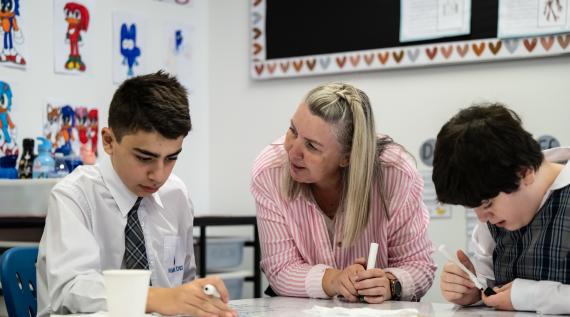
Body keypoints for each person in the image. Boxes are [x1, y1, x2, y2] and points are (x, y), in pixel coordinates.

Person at [36, 71, 236, 317]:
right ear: (109, 141)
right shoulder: (73, 197)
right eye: (144, 158)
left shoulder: (176, 194)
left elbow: (184, 279)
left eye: (172, 158)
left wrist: (198, 298)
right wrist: (157, 298)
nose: (159, 175)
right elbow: (72, 291)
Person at [250, 82, 436, 303]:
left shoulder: (396, 174)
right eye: (293, 131)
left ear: (347, 157)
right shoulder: (270, 171)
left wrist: (389, 283)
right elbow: (280, 269)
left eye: (311, 146)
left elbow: (420, 266)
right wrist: (334, 280)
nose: (293, 151)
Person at [432, 103, 570, 315]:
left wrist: (531, 296)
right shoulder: (492, 216)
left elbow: (521, 297)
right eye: (474, 208)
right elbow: (492, 277)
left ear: (524, 173)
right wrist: (472, 288)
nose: (482, 218)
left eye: (488, 204)